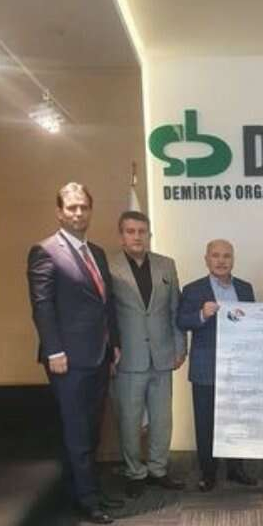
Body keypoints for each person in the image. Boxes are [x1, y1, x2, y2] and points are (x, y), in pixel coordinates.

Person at [27, 182, 123, 524]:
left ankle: (87, 490)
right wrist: (54, 350)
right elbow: (42, 306)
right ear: (59, 212)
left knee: (92, 429)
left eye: (83, 207)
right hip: (66, 359)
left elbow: (105, 303)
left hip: (99, 355)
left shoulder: (96, 252)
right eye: (71, 207)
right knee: (77, 430)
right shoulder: (45, 252)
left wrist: (114, 344)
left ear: (90, 210)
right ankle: (87, 500)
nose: (78, 213)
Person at [109, 210, 186, 496]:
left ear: (149, 235)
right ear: (121, 236)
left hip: (163, 355)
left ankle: (158, 469)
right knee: (129, 420)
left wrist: (180, 347)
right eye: (130, 231)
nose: (137, 237)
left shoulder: (166, 265)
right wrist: (109, 351)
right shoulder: (109, 267)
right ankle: (135, 472)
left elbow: (176, 310)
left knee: (162, 419)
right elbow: (106, 315)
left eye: (142, 231)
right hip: (128, 358)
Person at [177, 239, 257, 492]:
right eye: (216, 255)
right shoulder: (193, 289)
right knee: (206, 422)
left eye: (226, 256)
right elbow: (181, 321)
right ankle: (208, 472)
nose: (221, 261)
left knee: (237, 419)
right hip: (206, 367)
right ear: (206, 259)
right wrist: (202, 314)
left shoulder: (245, 288)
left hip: (238, 366)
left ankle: (236, 468)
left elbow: (253, 324)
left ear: (233, 260)